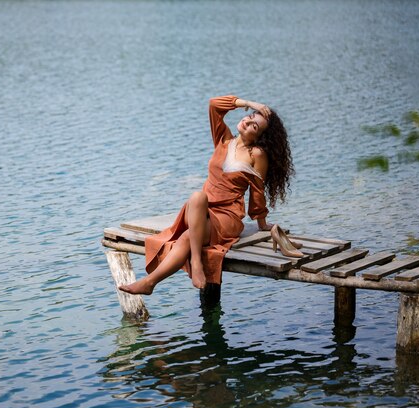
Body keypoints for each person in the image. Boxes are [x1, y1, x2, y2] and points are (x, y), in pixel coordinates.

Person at [119, 94, 295, 295]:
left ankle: (151, 282)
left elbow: (257, 191)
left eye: (254, 126)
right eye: (250, 117)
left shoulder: (256, 155)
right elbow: (214, 104)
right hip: (200, 211)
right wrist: (248, 103)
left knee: (187, 236)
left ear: (260, 137)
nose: (247, 122)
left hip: (227, 217)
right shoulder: (223, 139)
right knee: (197, 197)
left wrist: (262, 224)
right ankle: (194, 262)